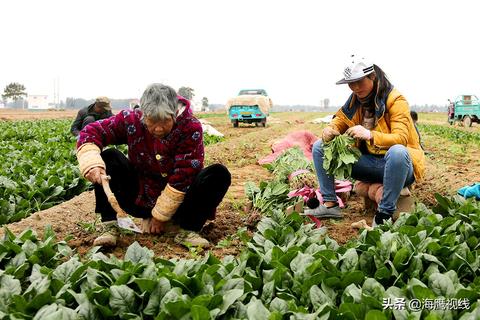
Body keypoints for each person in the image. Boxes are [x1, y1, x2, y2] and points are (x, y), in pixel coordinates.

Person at [76, 83, 231, 247]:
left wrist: (160, 216)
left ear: (175, 113)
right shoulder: (131, 120)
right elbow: (92, 131)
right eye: (152, 121)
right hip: (141, 198)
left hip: (182, 204)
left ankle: (187, 230)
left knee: (218, 174)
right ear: (143, 115)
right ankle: (109, 226)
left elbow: (185, 174)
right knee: (109, 157)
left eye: (165, 121)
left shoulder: (190, 127)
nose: (158, 128)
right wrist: (91, 162)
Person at [305, 55, 425, 227]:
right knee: (319, 147)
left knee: (397, 151)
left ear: (373, 77)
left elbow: (401, 138)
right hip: (371, 164)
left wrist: (369, 135)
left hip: (399, 166)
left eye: (359, 82)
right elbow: (341, 119)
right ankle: (330, 204)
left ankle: (384, 214)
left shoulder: (395, 100)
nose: (354, 87)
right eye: (351, 83)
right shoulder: (355, 99)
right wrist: (330, 129)